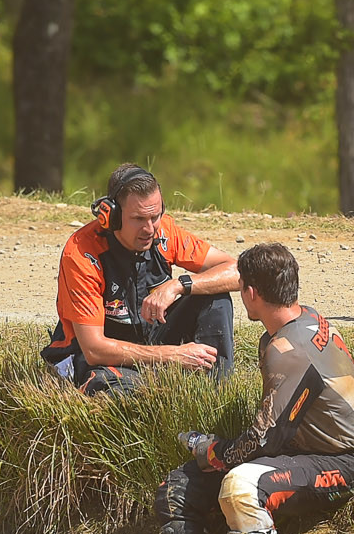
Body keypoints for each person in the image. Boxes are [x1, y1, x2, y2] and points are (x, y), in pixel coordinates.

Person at [153, 242, 354, 534]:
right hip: (295, 453)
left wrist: (213, 450)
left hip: (339, 464)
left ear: (251, 292)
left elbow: (264, 439)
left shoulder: (286, 349)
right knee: (177, 488)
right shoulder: (301, 319)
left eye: (240, 287)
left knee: (240, 487)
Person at [43, 164, 242, 395]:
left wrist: (179, 285)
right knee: (132, 393)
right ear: (111, 216)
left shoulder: (164, 232)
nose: (149, 228)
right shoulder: (82, 254)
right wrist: (174, 355)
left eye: (155, 216)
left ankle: (215, 395)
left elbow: (238, 271)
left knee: (214, 296)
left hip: (151, 340)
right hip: (98, 357)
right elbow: (94, 349)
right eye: (138, 218)